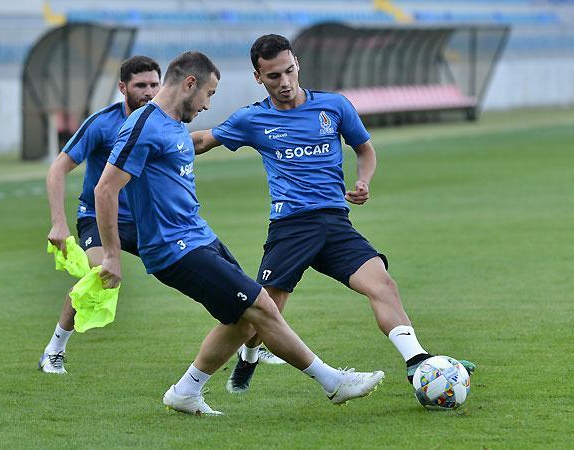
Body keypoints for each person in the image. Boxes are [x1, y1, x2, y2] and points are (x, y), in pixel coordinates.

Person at [94, 51, 385, 416]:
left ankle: (186, 391)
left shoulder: (173, 124)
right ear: (190, 84)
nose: (207, 104)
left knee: (244, 321)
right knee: (261, 307)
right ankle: (334, 382)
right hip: (173, 247)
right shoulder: (144, 125)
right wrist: (111, 255)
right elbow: (105, 189)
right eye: (209, 94)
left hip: (200, 237)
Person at [191, 34, 476, 394]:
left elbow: (365, 149)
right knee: (261, 314)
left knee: (383, 284)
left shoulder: (334, 106)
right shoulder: (253, 118)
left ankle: (417, 361)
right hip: (291, 228)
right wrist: (153, 141)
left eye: (289, 71)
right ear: (258, 78)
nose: (285, 82)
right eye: (274, 76)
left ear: (297, 64)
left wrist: (363, 180)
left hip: (336, 224)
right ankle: (247, 357)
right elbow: (203, 141)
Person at [38, 56, 161, 374]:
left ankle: (250, 340)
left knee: (194, 267)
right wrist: (59, 223)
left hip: (143, 219)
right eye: (141, 85)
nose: (149, 92)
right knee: (99, 272)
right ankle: (54, 350)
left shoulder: (163, 121)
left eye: (154, 84)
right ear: (123, 87)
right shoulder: (102, 123)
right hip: (96, 215)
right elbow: (57, 169)